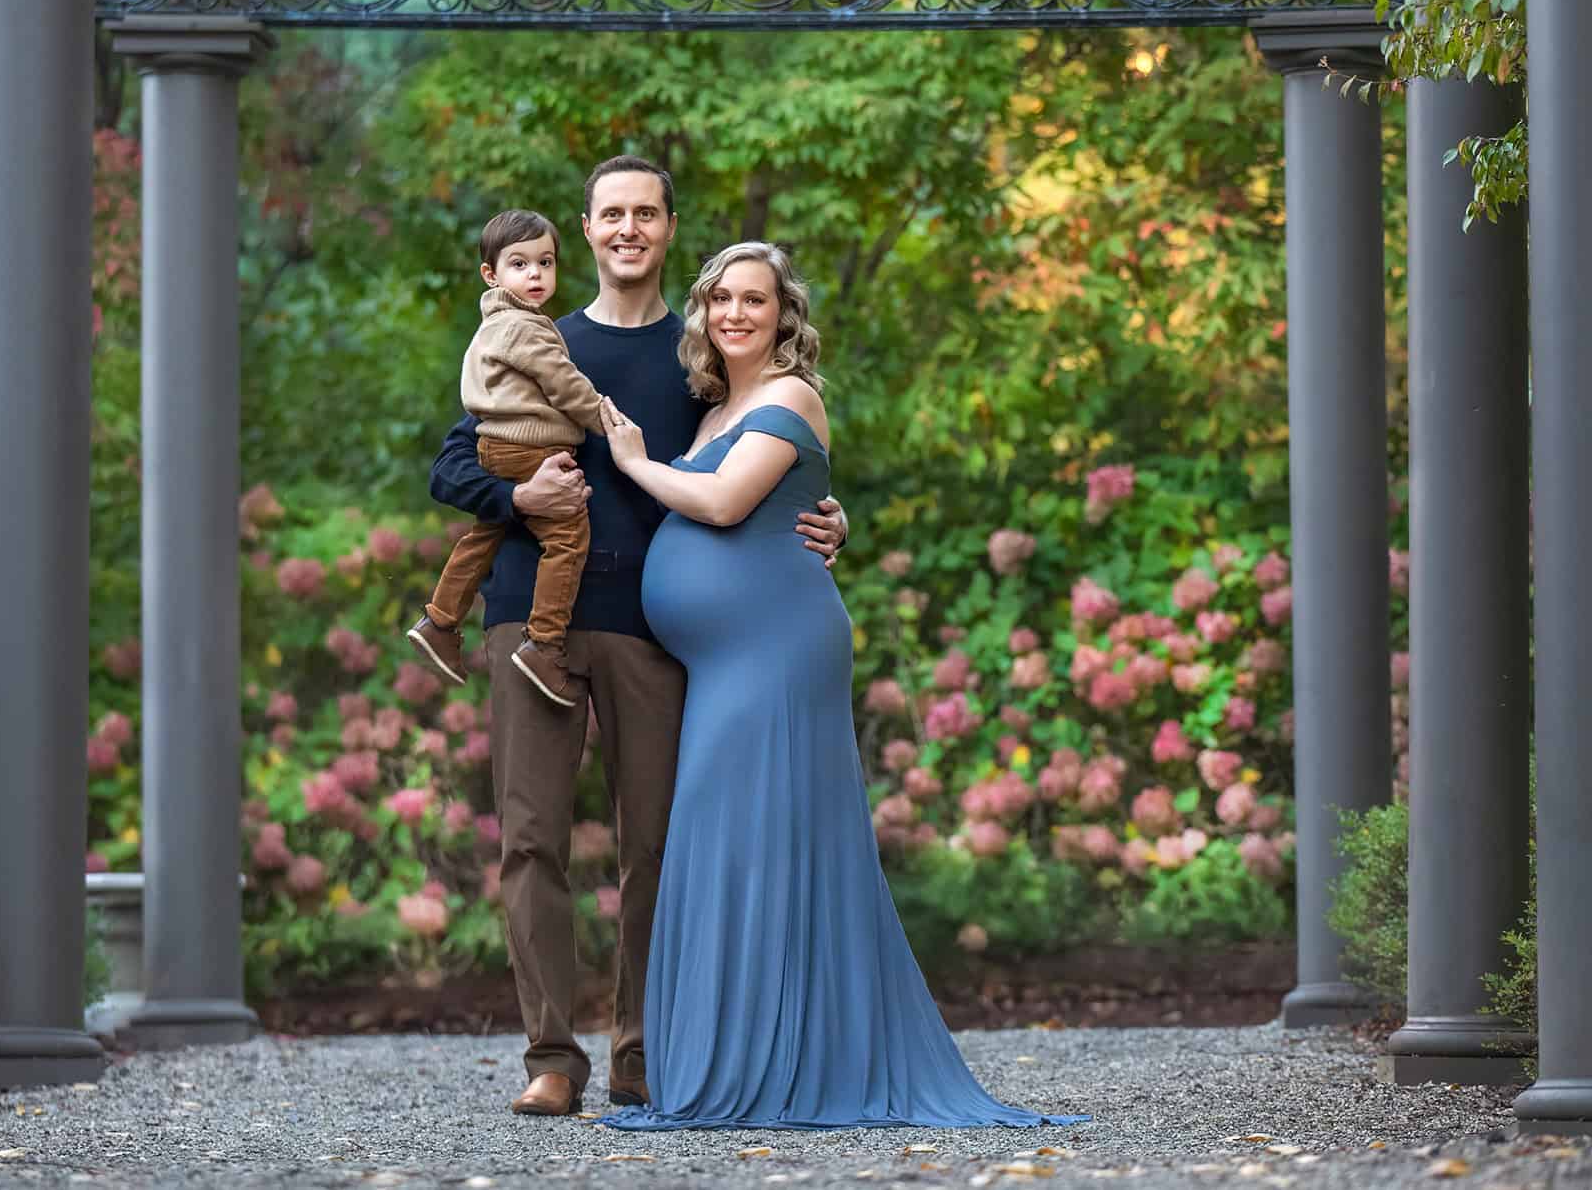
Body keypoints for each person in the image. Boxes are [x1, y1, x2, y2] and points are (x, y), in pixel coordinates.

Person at [597, 241, 1088, 1132]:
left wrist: (632, 461)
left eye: (755, 300)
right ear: (704, 314)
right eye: (721, 300)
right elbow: (798, 502)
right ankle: (743, 1055)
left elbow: (722, 504)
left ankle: (778, 1062)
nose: (736, 314)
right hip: (721, 663)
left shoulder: (790, 395)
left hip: (776, 653)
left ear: (785, 316)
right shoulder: (716, 408)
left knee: (766, 842)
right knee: (727, 842)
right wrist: (835, 517)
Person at [427, 157, 848, 1117]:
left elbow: (764, 455)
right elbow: (455, 463)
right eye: (610, 213)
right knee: (531, 840)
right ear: (586, 229)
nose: (628, 228)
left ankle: (643, 1054)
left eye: (645, 213)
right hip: (529, 620)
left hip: (651, 632)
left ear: (667, 228)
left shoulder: (699, 362)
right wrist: (516, 494)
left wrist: (829, 519)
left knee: (654, 845)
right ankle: (550, 1058)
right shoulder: (536, 337)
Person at [407, 209, 606, 709]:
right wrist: (607, 421)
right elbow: (565, 384)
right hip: (530, 449)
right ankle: (543, 644)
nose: (536, 274)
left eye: (545, 262)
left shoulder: (494, 326)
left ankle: (441, 620)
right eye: (520, 264)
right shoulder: (527, 328)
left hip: (495, 447)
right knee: (566, 535)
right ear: (491, 274)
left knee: (486, 533)